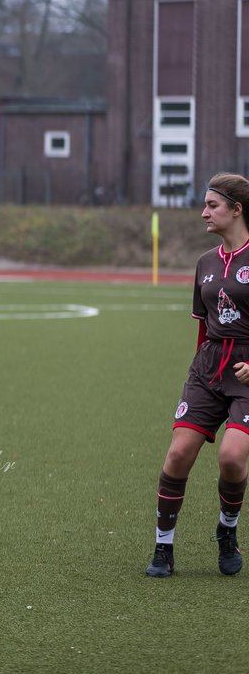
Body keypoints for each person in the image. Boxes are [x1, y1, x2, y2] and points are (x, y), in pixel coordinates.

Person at [145, 173, 249, 578]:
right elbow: (204, 327)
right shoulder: (205, 262)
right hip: (208, 369)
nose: (204, 212)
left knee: (232, 457)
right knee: (177, 455)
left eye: (212, 205)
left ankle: (227, 530)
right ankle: (163, 547)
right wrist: (198, 376)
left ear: (237, 209)